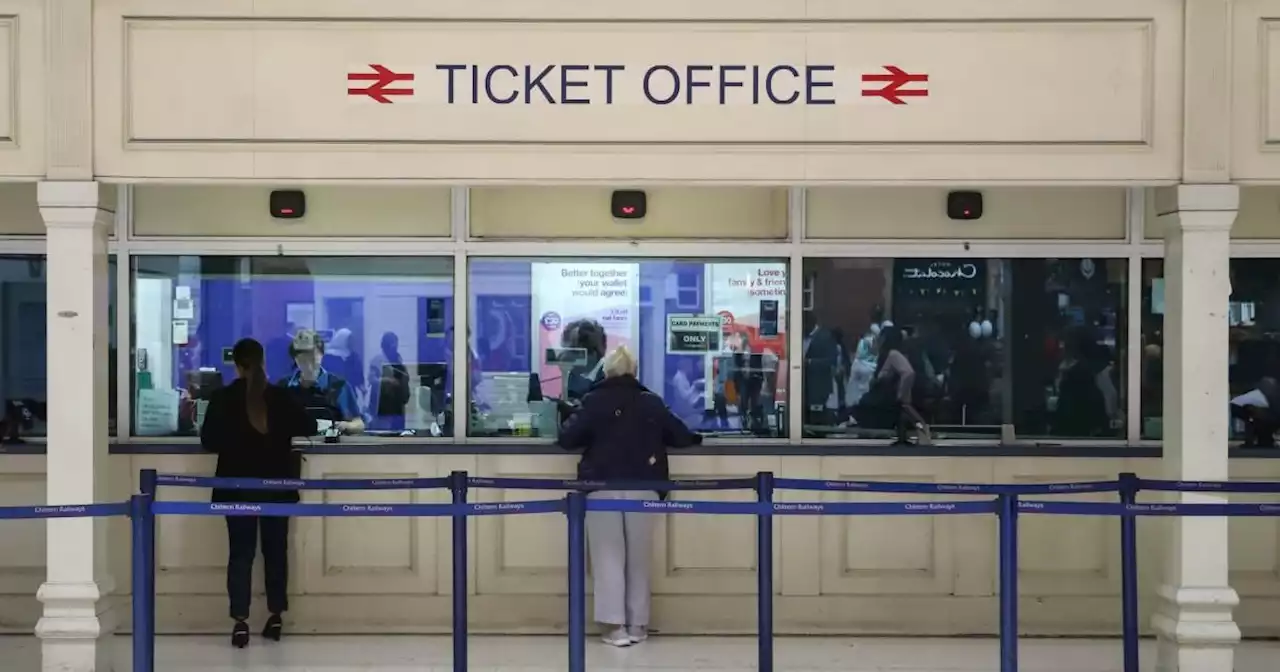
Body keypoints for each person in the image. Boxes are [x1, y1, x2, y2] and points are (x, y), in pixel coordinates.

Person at [557, 345, 702, 647]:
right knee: (639, 558)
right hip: (644, 484)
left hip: (601, 485)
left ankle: (614, 627)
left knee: (608, 557)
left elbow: (568, 439)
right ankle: (638, 624)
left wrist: (568, 413)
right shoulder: (651, 402)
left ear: (606, 371)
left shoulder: (594, 400)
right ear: (635, 371)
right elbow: (681, 435)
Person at [199, 338, 317, 648]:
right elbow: (311, 424)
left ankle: (240, 622)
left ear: (236, 365)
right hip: (277, 489)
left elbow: (208, 441)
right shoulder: (280, 397)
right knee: (275, 552)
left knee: (241, 553)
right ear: (263, 361)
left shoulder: (222, 399)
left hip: (235, 488)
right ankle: (275, 616)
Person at [278, 329, 365, 436]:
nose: (307, 362)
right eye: (301, 357)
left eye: (311, 355)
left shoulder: (339, 386)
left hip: (329, 450)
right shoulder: (283, 387)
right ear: (294, 358)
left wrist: (346, 426)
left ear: (321, 353)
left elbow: (359, 424)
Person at [874, 326, 931, 445]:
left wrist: (902, 391)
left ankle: (923, 431)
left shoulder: (893, 354)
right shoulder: (897, 353)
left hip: (904, 385)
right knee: (904, 413)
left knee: (909, 411)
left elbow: (906, 372)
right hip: (905, 383)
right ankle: (906, 435)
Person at [1232, 377, 1280, 447]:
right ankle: (1258, 440)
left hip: (1268, 418)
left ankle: (1260, 439)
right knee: (1252, 421)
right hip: (1259, 418)